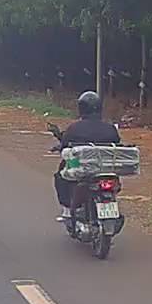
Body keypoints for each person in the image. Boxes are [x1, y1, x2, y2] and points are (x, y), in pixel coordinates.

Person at [54, 90, 122, 221]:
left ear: (82, 108)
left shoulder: (74, 128)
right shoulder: (110, 128)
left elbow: (65, 145)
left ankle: (67, 209)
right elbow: (117, 143)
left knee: (62, 173)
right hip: (106, 167)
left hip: (80, 165)